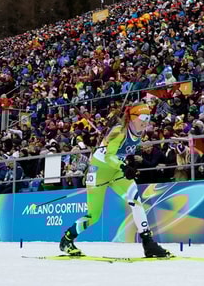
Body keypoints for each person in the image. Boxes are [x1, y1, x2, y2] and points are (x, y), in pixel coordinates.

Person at [59, 102, 169, 258]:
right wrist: (124, 167)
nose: (146, 121)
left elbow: (121, 154)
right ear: (132, 117)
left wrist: (126, 166)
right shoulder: (119, 131)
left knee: (136, 201)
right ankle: (67, 239)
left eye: (148, 117)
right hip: (99, 172)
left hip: (116, 172)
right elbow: (109, 156)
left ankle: (148, 243)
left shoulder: (137, 134)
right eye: (143, 117)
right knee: (94, 216)